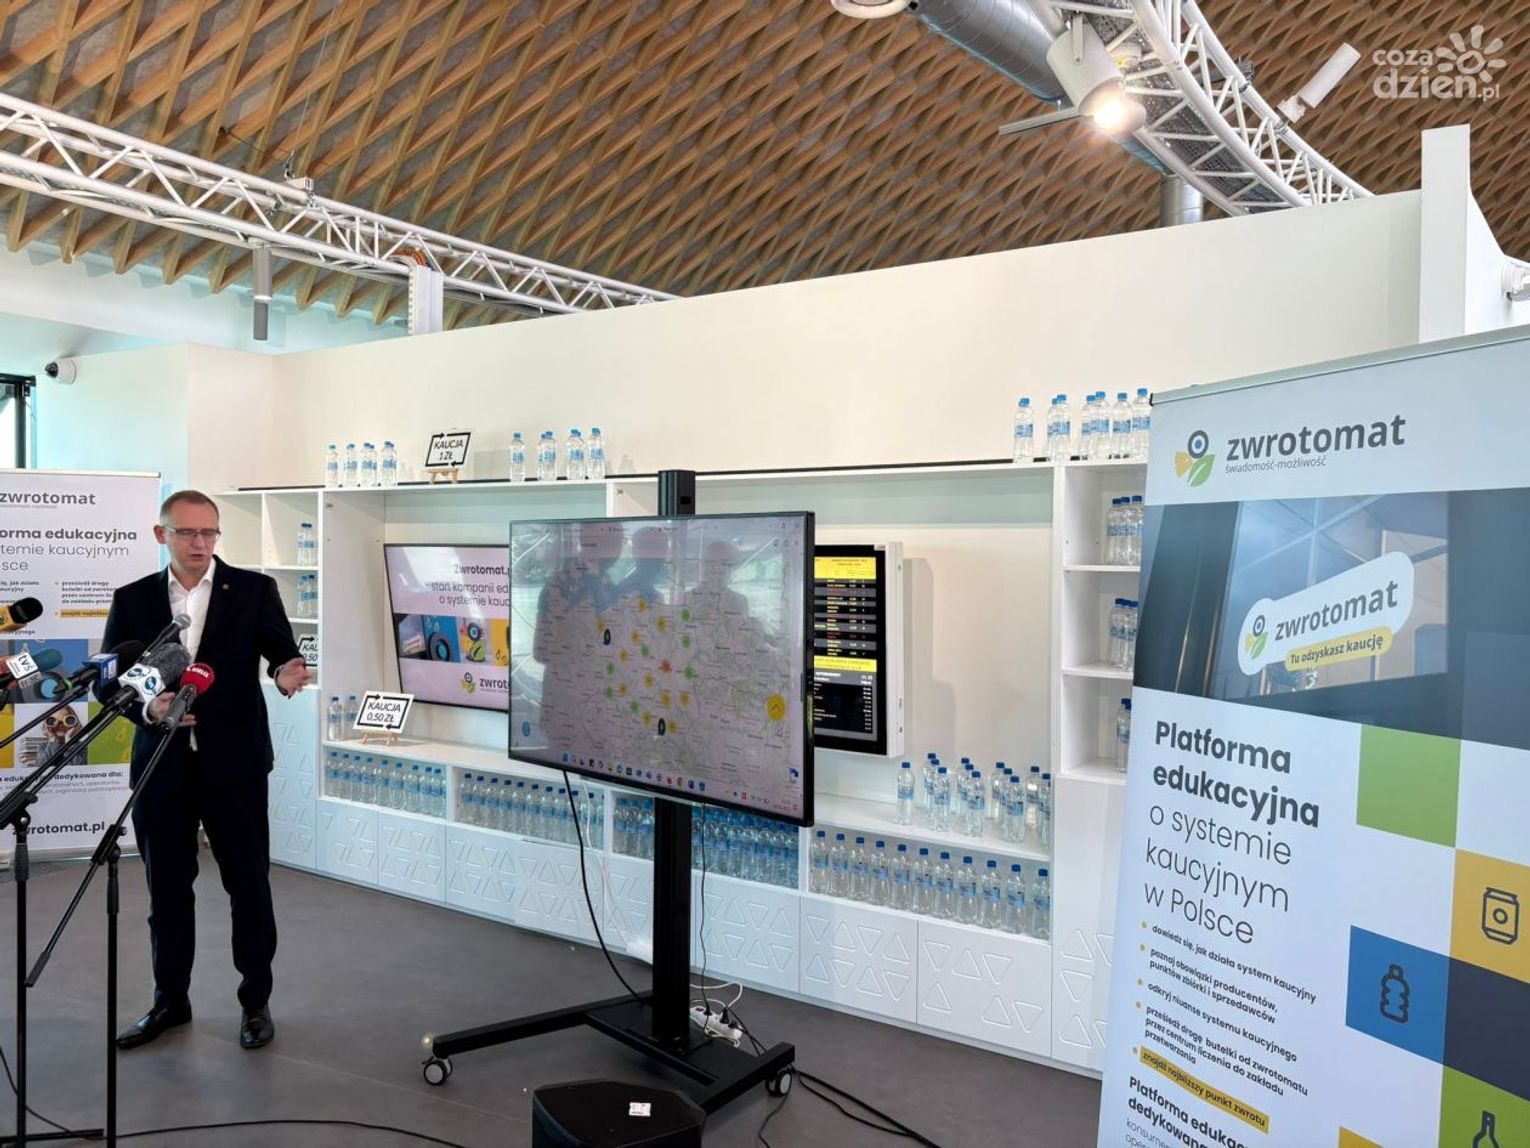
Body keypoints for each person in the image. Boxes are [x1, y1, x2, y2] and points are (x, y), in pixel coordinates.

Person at [103, 490, 311, 1051]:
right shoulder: (133, 599)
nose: (200, 544)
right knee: (167, 894)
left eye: (209, 533)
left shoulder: (253, 590)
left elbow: (281, 652)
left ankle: (256, 1003)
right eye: (187, 533)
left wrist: (287, 672)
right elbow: (110, 683)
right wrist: (150, 709)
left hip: (235, 766)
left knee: (249, 889)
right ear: (161, 534)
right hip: (161, 769)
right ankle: (170, 1001)